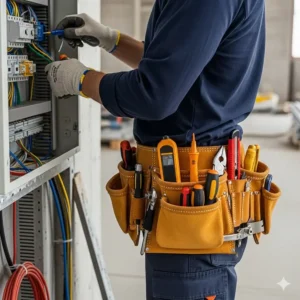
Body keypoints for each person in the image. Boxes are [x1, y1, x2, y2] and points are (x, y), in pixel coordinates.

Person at [45, 0, 266, 299]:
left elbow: (155, 94)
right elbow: (178, 66)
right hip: (186, 198)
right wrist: (112, 40)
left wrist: (81, 80)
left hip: (191, 199)